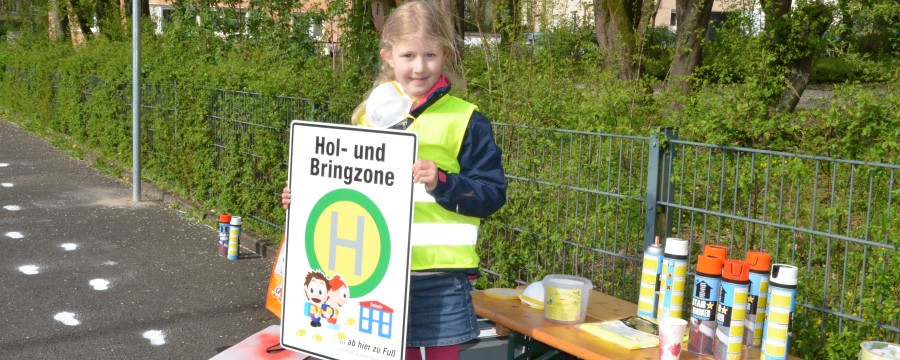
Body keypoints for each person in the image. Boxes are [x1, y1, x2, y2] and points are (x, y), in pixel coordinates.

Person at [281, 1, 506, 359]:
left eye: (430, 55)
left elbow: (492, 194)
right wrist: (306, 197)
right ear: (388, 55)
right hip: (375, 275)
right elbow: (347, 190)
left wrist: (442, 182)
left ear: (446, 54)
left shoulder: (467, 121)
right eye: (408, 55)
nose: (419, 67)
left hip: (439, 278)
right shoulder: (367, 118)